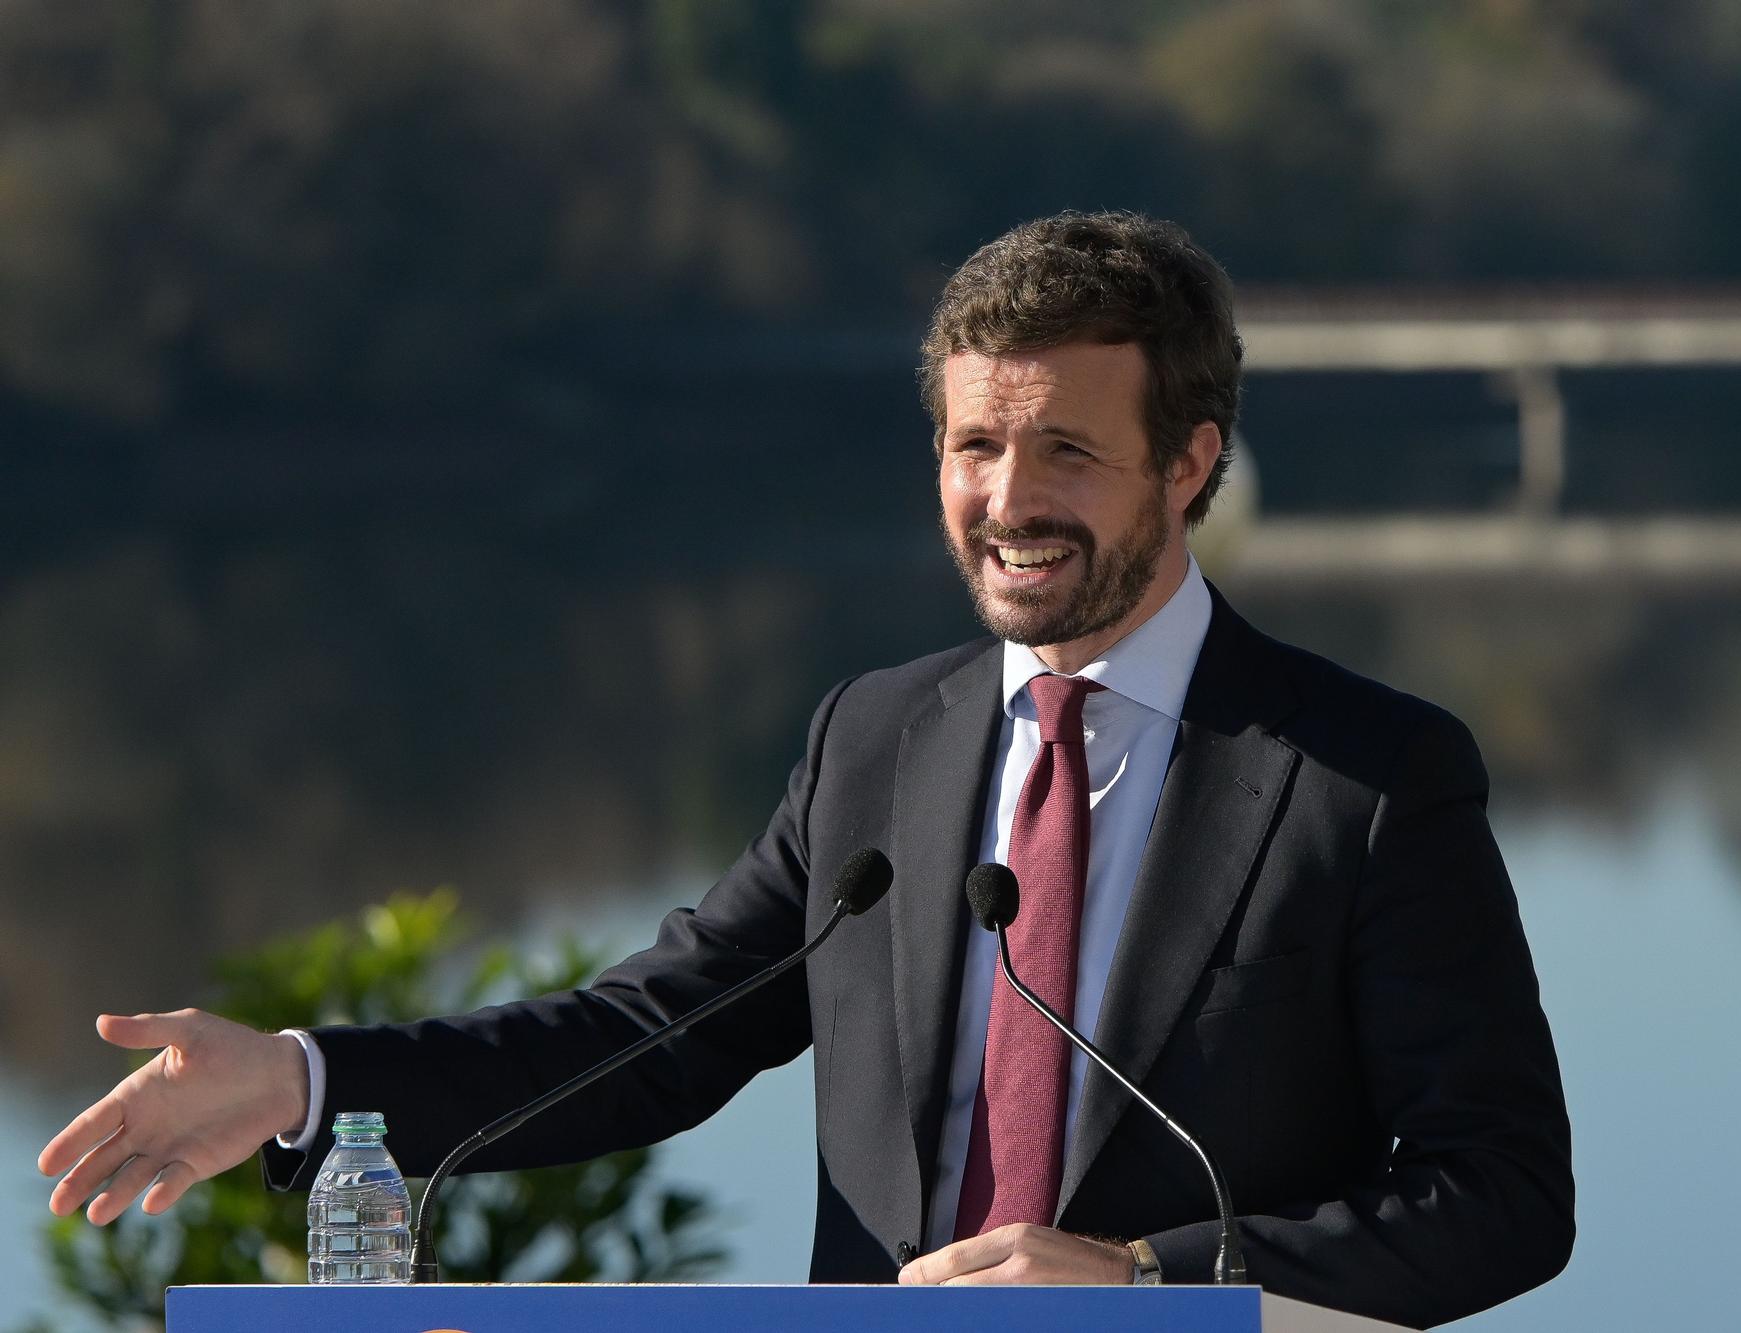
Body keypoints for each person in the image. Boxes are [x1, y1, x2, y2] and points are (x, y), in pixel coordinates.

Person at [39, 212, 1573, 1328]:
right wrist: (309, 1082)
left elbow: (1500, 1195)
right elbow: (647, 1034)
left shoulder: (1364, 778)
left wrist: (1146, 1280)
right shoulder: (877, 742)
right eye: (974, 445)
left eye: (1067, 454)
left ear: (1190, 460)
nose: (1007, 500)